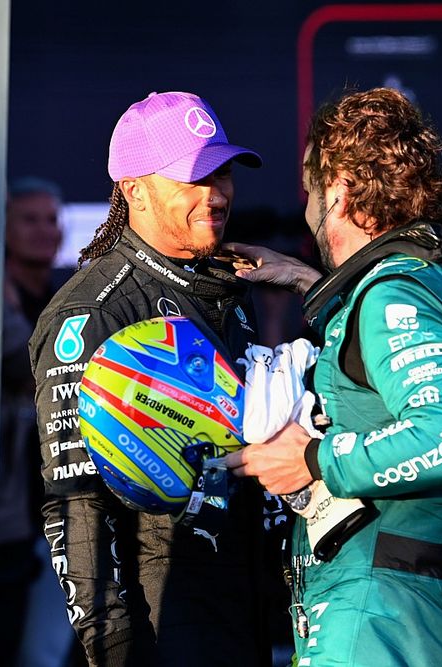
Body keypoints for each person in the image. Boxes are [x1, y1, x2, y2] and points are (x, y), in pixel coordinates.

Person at [223, 87, 442, 665]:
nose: (306, 209)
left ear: (340, 194)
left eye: (309, 191)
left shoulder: (393, 295)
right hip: (424, 605)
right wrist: (306, 279)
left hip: (375, 610)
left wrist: (313, 460)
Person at [28, 91, 275, 667]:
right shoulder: (92, 311)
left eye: (221, 173)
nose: (214, 194)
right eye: (192, 179)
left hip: (242, 606)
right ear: (134, 190)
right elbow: (75, 502)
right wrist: (114, 645)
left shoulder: (228, 293)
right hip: (162, 618)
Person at [0, 177, 70, 666]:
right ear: (1, 227)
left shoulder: (69, 296)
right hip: (4, 516)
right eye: (29, 218)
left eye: (51, 219)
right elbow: (21, 366)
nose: (44, 230)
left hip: (62, 503)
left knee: (46, 653)